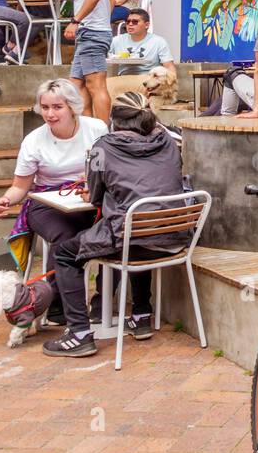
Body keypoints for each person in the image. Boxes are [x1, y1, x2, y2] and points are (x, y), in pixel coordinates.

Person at [0, 79, 107, 357]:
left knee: (109, 231)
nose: (50, 113)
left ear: (73, 107)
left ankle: (103, 303)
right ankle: (60, 305)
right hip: (45, 202)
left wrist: (91, 182)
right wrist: (6, 200)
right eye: (45, 107)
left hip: (87, 198)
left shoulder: (97, 129)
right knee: (65, 238)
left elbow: (107, 170)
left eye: (58, 107)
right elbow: (20, 186)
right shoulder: (34, 140)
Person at [77, 92, 191, 341]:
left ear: (113, 119)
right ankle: (140, 315)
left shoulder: (101, 148)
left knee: (66, 254)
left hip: (135, 239)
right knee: (140, 225)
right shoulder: (170, 141)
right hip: (175, 237)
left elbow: (95, 197)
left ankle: (78, 332)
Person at [53, 0, 113, 123]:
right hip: (92, 32)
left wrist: (76, 20)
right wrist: (101, 21)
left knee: (96, 85)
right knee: (76, 85)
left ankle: (103, 136)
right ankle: (89, 130)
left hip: (91, 33)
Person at [107, 9, 175, 98]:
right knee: (103, 84)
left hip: (147, 78)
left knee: (110, 84)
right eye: (128, 22)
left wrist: (172, 86)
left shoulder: (158, 41)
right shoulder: (116, 40)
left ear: (146, 25)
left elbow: (169, 66)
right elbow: (102, 56)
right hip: (124, 77)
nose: (130, 24)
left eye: (135, 22)